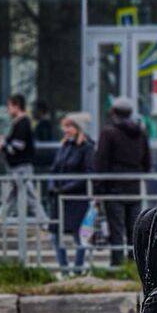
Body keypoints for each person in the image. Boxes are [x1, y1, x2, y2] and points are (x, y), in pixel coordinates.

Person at [94, 96, 151, 266]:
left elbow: (101, 161)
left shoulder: (108, 133)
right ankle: (134, 266)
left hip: (114, 187)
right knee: (133, 229)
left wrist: (98, 189)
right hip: (134, 186)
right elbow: (147, 162)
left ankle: (117, 265)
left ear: (113, 113)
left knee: (116, 230)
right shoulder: (141, 132)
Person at [0, 93, 48, 240]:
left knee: (29, 198)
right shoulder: (20, 123)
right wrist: (4, 141)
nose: (7, 110)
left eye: (9, 106)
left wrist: (2, 145)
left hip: (21, 168)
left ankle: (46, 227)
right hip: (16, 167)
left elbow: (18, 146)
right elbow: (15, 143)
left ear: (16, 106)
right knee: (10, 199)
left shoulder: (23, 123)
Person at [47, 112, 94, 277]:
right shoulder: (64, 146)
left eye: (69, 126)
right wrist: (52, 185)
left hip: (77, 199)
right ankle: (65, 269)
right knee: (55, 235)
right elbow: (54, 170)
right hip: (59, 198)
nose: (65, 130)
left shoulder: (87, 147)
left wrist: (66, 188)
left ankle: (78, 269)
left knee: (79, 235)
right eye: (64, 126)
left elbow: (88, 173)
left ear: (78, 128)